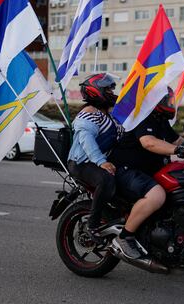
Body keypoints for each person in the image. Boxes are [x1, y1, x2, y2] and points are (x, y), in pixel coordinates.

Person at [109, 87, 184, 258]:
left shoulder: (160, 120)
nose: (171, 103)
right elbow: (149, 142)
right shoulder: (142, 117)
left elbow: (177, 139)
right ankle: (124, 237)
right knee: (157, 196)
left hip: (147, 171)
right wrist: (178, 151)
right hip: (127, 170)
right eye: (168, 100)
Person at [67, 73, 122, 241]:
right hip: (81, 163)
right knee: (106, 179)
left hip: (97, 161)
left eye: (112, 89)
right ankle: (93, 225)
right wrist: (102, 162)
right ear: (95, 91)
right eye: (108, 89)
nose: (112, 92)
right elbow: (86, 140)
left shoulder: (108, 114)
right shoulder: (88, 114)